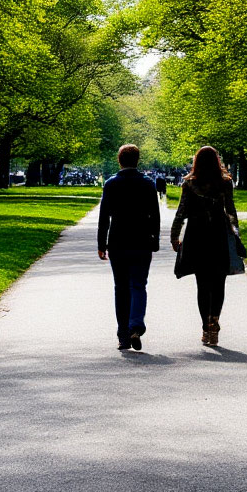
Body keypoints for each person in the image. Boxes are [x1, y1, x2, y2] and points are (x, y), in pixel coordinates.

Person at [171, 145, 242, 346]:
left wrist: (174, 237)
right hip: (218, 234)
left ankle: (205, 327)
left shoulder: (190, 184)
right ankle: (214, 321)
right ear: (217, 161)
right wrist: (235, 235)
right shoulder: (225, 183)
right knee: (219, 281)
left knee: (202, 284)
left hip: (196, 235)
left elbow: (181, 212)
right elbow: (231, 212)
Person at [97, 144, 161, 351]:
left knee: (121, 288)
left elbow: (104, 216)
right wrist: (155, 239)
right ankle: (136, 325)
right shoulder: (147, 184)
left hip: (118, 241)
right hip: (141, 241)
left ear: (119, 160)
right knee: (139, 285)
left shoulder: (111, 184)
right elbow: (155, 215)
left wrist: (101, 244)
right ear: (137, 160)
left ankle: (123, 334)